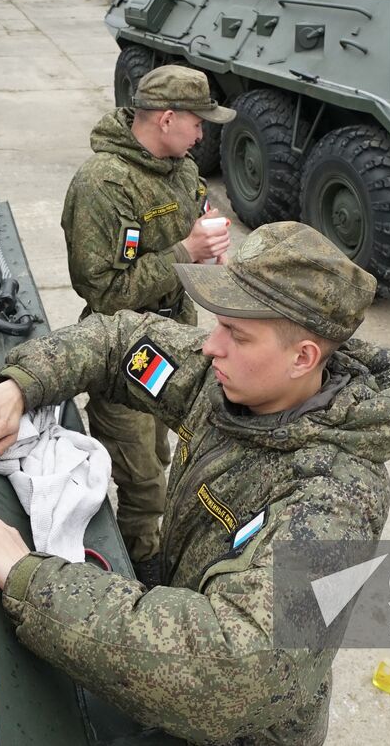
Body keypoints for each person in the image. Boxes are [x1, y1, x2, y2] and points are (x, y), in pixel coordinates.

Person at [0, 222, 390, 745]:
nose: (211, 347)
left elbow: (243, 670)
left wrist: (33, 581)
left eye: (236, 334)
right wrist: (23, 386)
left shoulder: (336, 502)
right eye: (217, 325)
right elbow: (118, 340)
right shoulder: (229, 384)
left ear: (302, 357)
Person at [59, 64, 234, 584]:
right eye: (198, 122)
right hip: (125, 350)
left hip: (174, 339)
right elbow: (102, 291)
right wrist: (186, 251)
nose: (204, 132)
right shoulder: (103, 184)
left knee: (163, 453)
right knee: (142, 481)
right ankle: (143, 568)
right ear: (166, 118)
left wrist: (209, 246)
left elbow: (197, 209)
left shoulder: (180, 169)